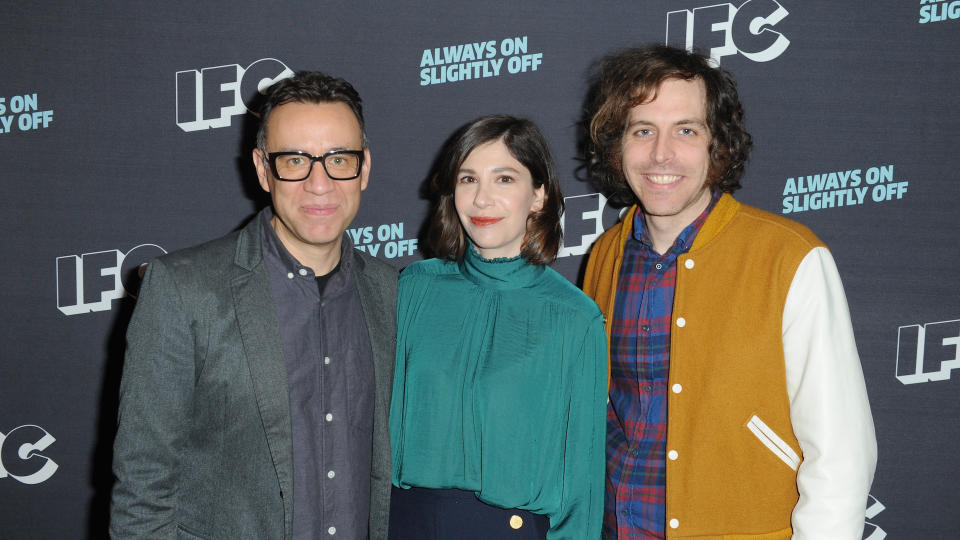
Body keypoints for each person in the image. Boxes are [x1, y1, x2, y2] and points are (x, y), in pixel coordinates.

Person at [583, 45, 877, 539]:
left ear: (717, 144)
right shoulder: (606, 255)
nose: (661, 153)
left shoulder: (790, 257)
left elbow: (842, 453)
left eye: (686, 130)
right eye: (642, 130)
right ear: (618, 146)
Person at [110, 71, 397, 540]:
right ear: (264, 168)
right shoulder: (183, 290)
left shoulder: (391, 293)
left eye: (338, 159)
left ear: (363, 167)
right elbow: (143, 490)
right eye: (295, 160)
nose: (319, 184)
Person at [389, 115, 607, 539]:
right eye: (468, 179)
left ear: (539, 196)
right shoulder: (414, 288)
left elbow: (581, 484)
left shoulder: (574, 318)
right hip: (405, 524)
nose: (481, 199)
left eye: (504, 179)